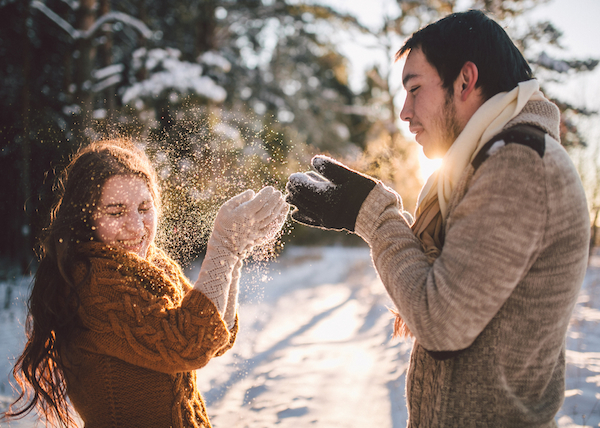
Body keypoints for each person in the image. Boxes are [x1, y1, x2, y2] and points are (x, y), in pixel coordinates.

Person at [285, 10, 589, 428]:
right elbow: (445, 284)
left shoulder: (518, 167)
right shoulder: (486, 163)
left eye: (415, 89)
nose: (405, 112)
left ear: (465, 80)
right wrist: (367, 216)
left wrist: (374, 215)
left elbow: (439, 322)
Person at [3, 139, 288, 427]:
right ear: (84, 217)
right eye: (116, 212)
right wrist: (224, 246)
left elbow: (215, 335)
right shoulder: (93, 281)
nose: (137, 227)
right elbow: (189, 344)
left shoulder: (149, 264)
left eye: (144, 208)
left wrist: (235, 253)